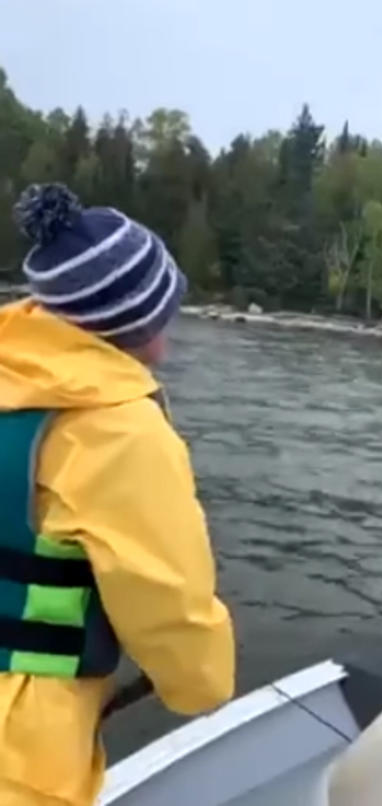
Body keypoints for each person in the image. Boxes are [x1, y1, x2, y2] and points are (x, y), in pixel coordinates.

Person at [0, 184, 235, 806]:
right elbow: (168, 607)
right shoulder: (118, 432)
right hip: (20, 752)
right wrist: (202, 685)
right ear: (130, 321)